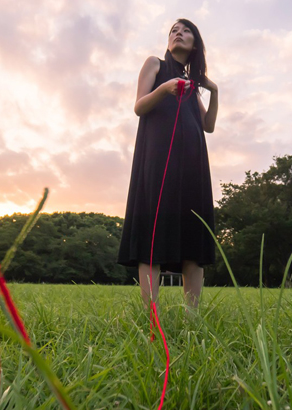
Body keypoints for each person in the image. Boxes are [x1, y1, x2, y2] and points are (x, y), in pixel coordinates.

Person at [118, 18, 219, 311]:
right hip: (158, 159)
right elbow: (139, 106)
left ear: (195, 43)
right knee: (153, 232)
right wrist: (166, 88)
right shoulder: (156, 65)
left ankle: (192, 318)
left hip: (192, 161)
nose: (179, 33)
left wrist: (215, 92)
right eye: (174, 30)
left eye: (186, 30)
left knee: (193, 236)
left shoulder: (192, 82)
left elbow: (208, 126)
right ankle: (153, 317)